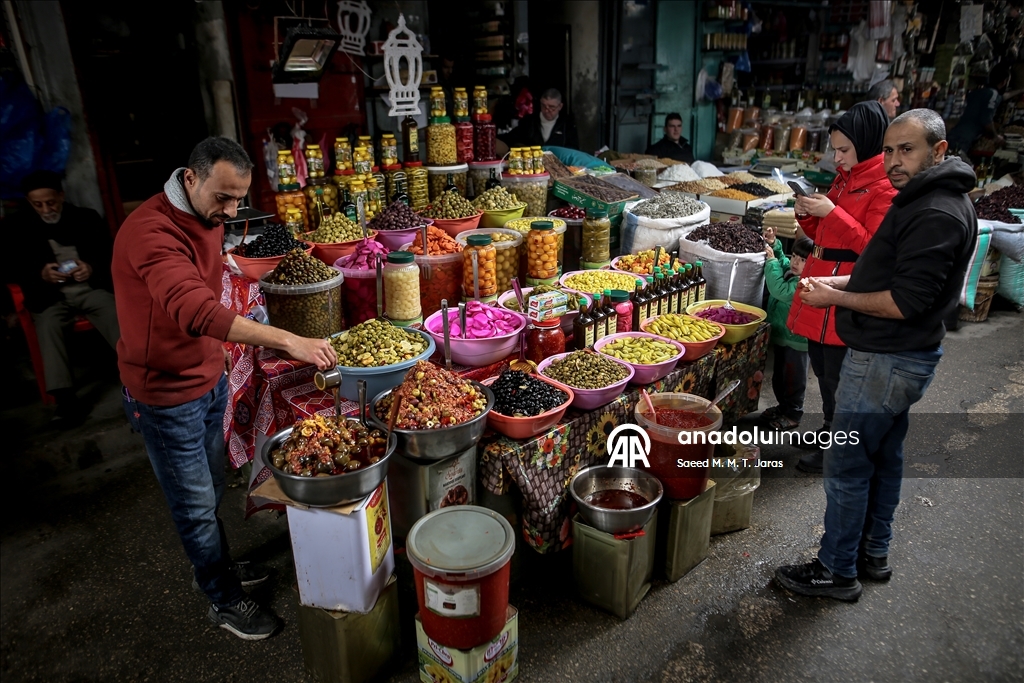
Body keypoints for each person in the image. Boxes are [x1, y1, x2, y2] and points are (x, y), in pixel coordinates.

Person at [112, 137, 337, 640]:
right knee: (193, 504)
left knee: (212, 487)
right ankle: (220, 597)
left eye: (239, 198)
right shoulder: (150, 232)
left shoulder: (207, 217)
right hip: (165, 393)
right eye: (223, 198)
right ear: (189, 179)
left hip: (208, 377)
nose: (232, 210)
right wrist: (288, 340)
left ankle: (214, 566)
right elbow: (195, 310)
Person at [775, 109, 978, 601]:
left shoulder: (934, 213)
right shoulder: (930, 199)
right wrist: (841, 280)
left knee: (846, 465)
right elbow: (887, 275)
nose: (893, 161)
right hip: (902, 355)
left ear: (940, 150)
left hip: (888, 357)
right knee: (884, 457)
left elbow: (903, 301)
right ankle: (872, 554)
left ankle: (836, 570)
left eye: (906, 149)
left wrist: (837, 297)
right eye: (888, 150)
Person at [787, 101, 897, 473]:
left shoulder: (883, 189)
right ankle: (830, 429)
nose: (836, 157)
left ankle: (840, 446)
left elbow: (874, 249)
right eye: (834, 149)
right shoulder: (844, 179)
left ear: (866, 144)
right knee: (823, 370)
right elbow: (827, 237)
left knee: (840, 378)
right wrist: (809, 216)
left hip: (845, 295)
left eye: (843, 150)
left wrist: (832, 212)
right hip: (821, 289)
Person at [8, 170, 120, 422]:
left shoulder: (85, 218)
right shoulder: (17, 227)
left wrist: (91, 267)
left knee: (114, 312)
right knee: (48, 324)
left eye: (51, 202)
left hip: (88, 288)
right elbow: (10, 267)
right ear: (29, 202)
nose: (46, 209)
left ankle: (140, 378)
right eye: (38, 205)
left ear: (61, 195)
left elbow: (111, 256)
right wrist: (40, 274)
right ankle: (66, 400)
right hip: (48, 295)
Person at [761, 232, 813, 430]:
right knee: (780, 377)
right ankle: (783, 407)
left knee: (793, 379)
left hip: (797, 341)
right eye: (795, 257)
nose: (795, 263)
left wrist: (771, 263)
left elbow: (779, 290)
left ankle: (793, 413)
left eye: (802, 260)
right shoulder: (793, 272)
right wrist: (775, 246)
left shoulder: (804, 284)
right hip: (783, 336)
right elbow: (783, 261)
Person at [947, 68, 1011, 155]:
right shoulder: (993, 95)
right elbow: (986, 120)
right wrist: (996, 137)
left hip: (953, 134)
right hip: (964, 138)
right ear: (1004, 82)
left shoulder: (978, 92)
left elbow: (1003, 97)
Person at [499, 88, 579, 149]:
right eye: (544, 106)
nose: (547, 110)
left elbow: (574, 150)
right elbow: (510, 138)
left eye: (552, 107)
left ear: (560, 106)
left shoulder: (567, 125)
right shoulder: (529, 122)